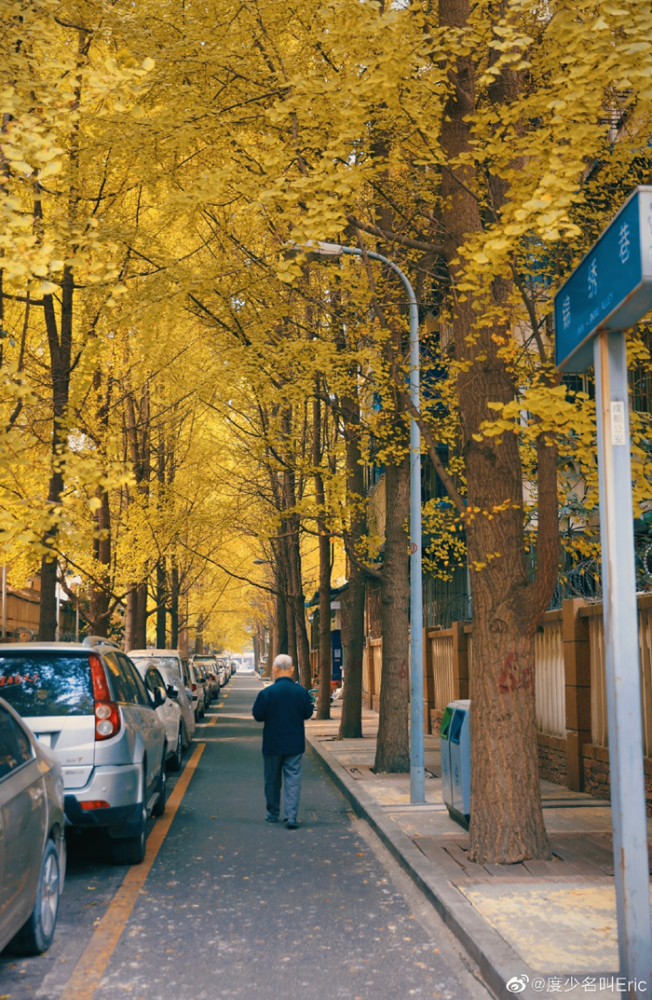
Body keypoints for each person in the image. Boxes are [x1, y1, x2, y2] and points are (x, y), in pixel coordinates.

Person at [251, 654, 313, 829]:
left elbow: (258, 715)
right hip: (294, 743)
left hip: (272, 744)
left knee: (272, 780)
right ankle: (291, 816)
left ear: (274, 669)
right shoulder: (301, 692)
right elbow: (308, 714)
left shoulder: (267, 693)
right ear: (292, 669)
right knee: (293, 779)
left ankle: (272, 813)